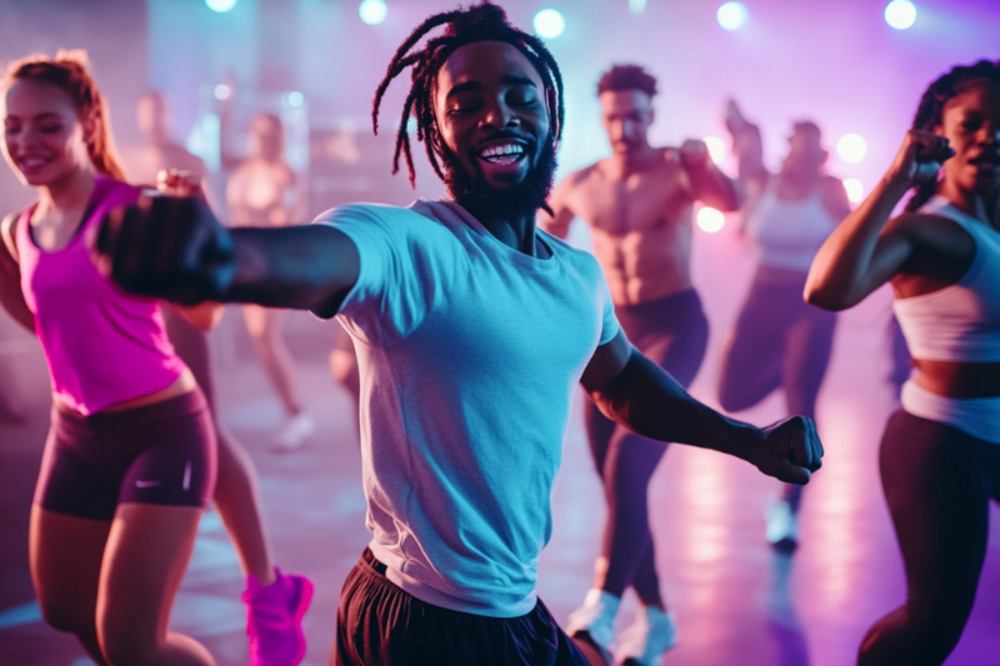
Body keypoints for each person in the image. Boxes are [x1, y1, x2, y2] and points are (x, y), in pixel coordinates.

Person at [94, 5, 823, 666]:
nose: (495, 114)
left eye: (517, 95)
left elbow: (623, 381)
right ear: (436, 132)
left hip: (510, 612)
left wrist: (748, 442)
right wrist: (221, 257)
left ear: (550, 116)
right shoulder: (411, 245)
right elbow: (315, 258)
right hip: (423, 624)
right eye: (464, 102)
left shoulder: (576, 277)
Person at [0, 52, 310, 666]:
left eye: (47, 124)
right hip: (76, 431)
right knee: (66, 609)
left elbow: (204, 315)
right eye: (12, 126)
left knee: (132, 644)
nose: (26, 140)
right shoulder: (18, 228)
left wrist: (188, 234)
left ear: (87, 123)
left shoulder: (132, 210)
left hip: (162, 429)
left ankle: (268, 590)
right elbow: (38, 316)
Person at [539, 64, 741, 663]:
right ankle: (656, 617)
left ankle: (601, 606)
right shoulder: (580, 183)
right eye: (613, 117)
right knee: (615, 480)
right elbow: (532, 244)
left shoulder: (679, 171)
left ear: (652, 114)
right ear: (601, 118)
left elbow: (731, 202)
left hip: (675, 327)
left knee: (629, 462)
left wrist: (704, 163)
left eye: (635, 115)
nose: (624, 127)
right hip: (607, 337)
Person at [804, 59, 1000, 665]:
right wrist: (894, 179)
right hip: (945, 442)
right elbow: (827, 290)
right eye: (973, 123)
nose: (990, 136)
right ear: (938, 131)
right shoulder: (927, 230)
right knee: (932, 622)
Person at [123, 93, 315, 666]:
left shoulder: (189, 167)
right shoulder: (127, 165)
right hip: (191, 283)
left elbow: (227, 235)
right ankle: (267, 589)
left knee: (219, 400)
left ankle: (264, 589)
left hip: (247, 268)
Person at [719, 100, 851, 550]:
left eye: (811, 151)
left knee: (802, 407)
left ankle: (787, 509)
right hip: (761, 297)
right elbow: (744, 143)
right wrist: (738, 121)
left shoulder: (830, 191)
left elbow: (858, 241)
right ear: (787, 150)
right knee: (730, 394)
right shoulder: (765, 182)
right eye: (795, 147)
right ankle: (791, 369)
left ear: (822, 156)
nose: (801, 158)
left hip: (809, 306)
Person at [226, 113, 315, 450]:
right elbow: (236, 218)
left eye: (271, 135)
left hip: (277, 266)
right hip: (248, 265)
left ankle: (296, 413)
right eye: (259, 134)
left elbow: (289, 222)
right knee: (260, 339)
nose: (265, 141)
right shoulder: (244, 174)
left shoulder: (287, 175)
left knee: (266, 335)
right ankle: (293, 411)